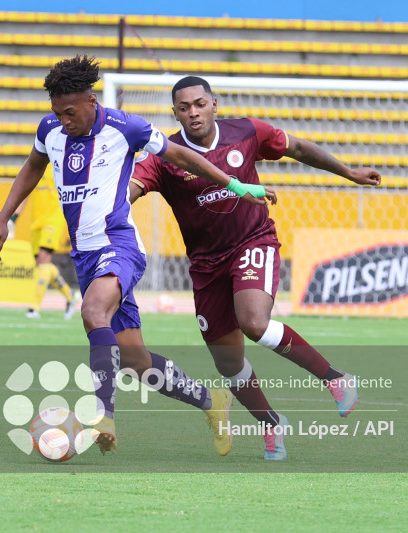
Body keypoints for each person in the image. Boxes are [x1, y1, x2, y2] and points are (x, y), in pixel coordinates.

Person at [0, 56, 275, 455]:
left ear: (91, 100)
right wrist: (4, 218)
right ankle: (212, 402)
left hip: (119, 245)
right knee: (134, 361)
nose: (63, 120)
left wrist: (236, 184)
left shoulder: (127, 127)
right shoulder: (49, 129)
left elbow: (180, 155)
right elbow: (32, 166)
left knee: (93, 314)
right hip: (85, 256)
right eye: (57, 113)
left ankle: (103, 416)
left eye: (70, 112)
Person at [131, 76, 382, 460]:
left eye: (200, 104)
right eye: (184, 108)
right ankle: (270, 423)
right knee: (228, 363)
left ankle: (335, 379)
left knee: (253, 322)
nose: (193, 113)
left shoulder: (245, 132)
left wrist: (348, 172)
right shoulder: (166, 155)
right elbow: (133, 187)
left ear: (215, 104)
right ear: (175, 113)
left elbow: (296, 147)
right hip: (205, 265)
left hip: (252, 242)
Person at [8, 171, 78, 320]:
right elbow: (25, 191)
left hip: (54, 218)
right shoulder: (37, 164)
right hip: (37, 221)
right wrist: (14, 218)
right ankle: (70, 295)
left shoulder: (60, 162)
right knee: (41, 264)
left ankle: (34, 307)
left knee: (43, 258)